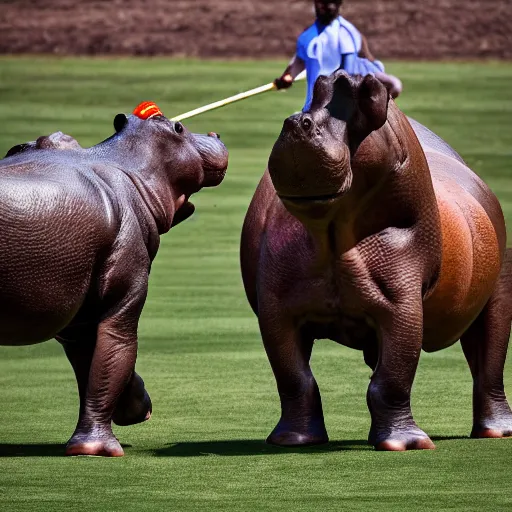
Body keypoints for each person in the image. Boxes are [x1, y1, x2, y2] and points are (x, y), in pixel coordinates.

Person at [275, 0, 402, 110]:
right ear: (316, 3)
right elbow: (299, 61)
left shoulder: (346, 32)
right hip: (315, 104)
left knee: (394, 85)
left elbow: (349, 70)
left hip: (348, 97)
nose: (329, 7)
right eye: (324, 3)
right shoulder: (307, 36)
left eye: (333, 3)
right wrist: (287, 78)